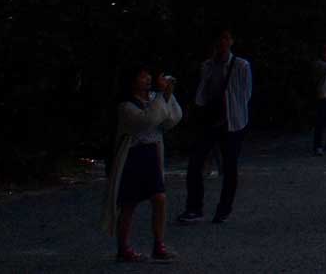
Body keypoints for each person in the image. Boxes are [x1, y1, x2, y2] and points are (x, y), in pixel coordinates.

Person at [105, 66, 183, 263]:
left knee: (159, 198)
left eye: (148, 75)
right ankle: (123, 248)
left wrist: (166, 96)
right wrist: (162, 98)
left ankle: (159, 244)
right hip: (133, 155)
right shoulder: (126, 106)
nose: (147, 79)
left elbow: (172, 119)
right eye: (141, 76)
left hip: (152, 152)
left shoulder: (153, 98)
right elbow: (148, 121)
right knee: (129, 204)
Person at [179, 30, 251, 225]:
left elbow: (245, 94)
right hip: (210, 120)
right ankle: (195, 207)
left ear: (231, 41)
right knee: (195, 164)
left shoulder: (241, 66)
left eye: (226, 39)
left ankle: (223, 209)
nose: (222, 43)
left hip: (232, 121)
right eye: (219, 39)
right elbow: (203, 91)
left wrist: (232, 112)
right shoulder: (208, 66)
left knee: (229, 167)